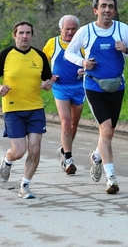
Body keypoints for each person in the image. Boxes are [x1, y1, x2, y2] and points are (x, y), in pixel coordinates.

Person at [64, 0, 128, 194]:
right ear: (95, 10)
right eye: (103, 6)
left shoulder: (122, 29)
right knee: (106, 130)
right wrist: (82, 62)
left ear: (114, 11)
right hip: (93, 86)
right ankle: (111, 179)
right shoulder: (86, 31)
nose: (107, 10)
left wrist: (126, 50)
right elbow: (68, 53)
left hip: (117, 86)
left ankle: (97, 156)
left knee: (109, 132)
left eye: (111, 6)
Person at [0, 21, 54, 199]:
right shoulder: (6, 55)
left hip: (35, 108)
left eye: (28, 33)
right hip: (13, 109)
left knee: (35, 149)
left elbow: (47, 81)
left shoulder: (39, 56)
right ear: (14, 35)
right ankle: (7, 160)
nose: (24, 36)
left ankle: (25, 185)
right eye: (21, 33)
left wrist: (48, 84)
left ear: (31, 35)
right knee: (19, 151)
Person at [43, 15, 85, 175]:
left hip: (79, 87)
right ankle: (68, 159)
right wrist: (48, 76)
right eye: (67, 29)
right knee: (66, 123)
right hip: (60, 88)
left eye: (73, 29)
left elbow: (91, 62)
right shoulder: (52, 43)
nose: (70, 32)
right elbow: (40, 62)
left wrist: (85, 69)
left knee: (74, 125)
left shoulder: (82, 43)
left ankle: (63, 149)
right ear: (61, 29)